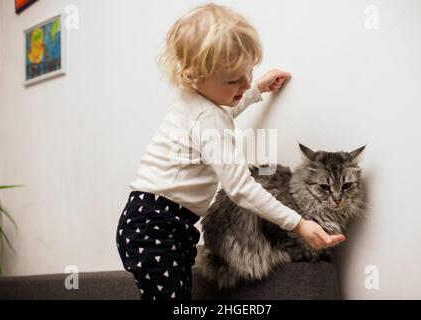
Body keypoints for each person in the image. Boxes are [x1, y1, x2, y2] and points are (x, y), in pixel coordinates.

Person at [116, 3, 345, 301]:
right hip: (156, 229)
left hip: (151, 222)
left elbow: (223, 112)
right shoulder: (207, 119)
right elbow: (241, 189)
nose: (247, 81)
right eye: (234, 80)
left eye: (249, 72)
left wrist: (254, 91)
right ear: (193, 77)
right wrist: (299, 223)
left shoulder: (194, 102)